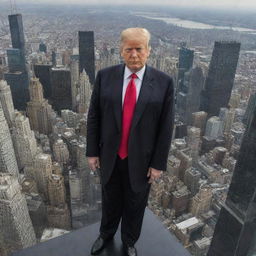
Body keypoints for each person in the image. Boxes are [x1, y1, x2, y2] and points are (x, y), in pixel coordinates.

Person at [86, 27, 174, 256]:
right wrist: (92, 152)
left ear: (148, 51)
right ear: (121, 51)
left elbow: (166, 127)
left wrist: (158, 164)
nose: (134, 54)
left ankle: (129, 241)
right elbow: (94, 115)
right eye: (129, 49)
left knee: (136, 204)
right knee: (110, 199)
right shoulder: (105, 76)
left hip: (142, 161)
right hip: (111, 156)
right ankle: (106, 234)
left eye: (139, 49)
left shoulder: (164, 82)